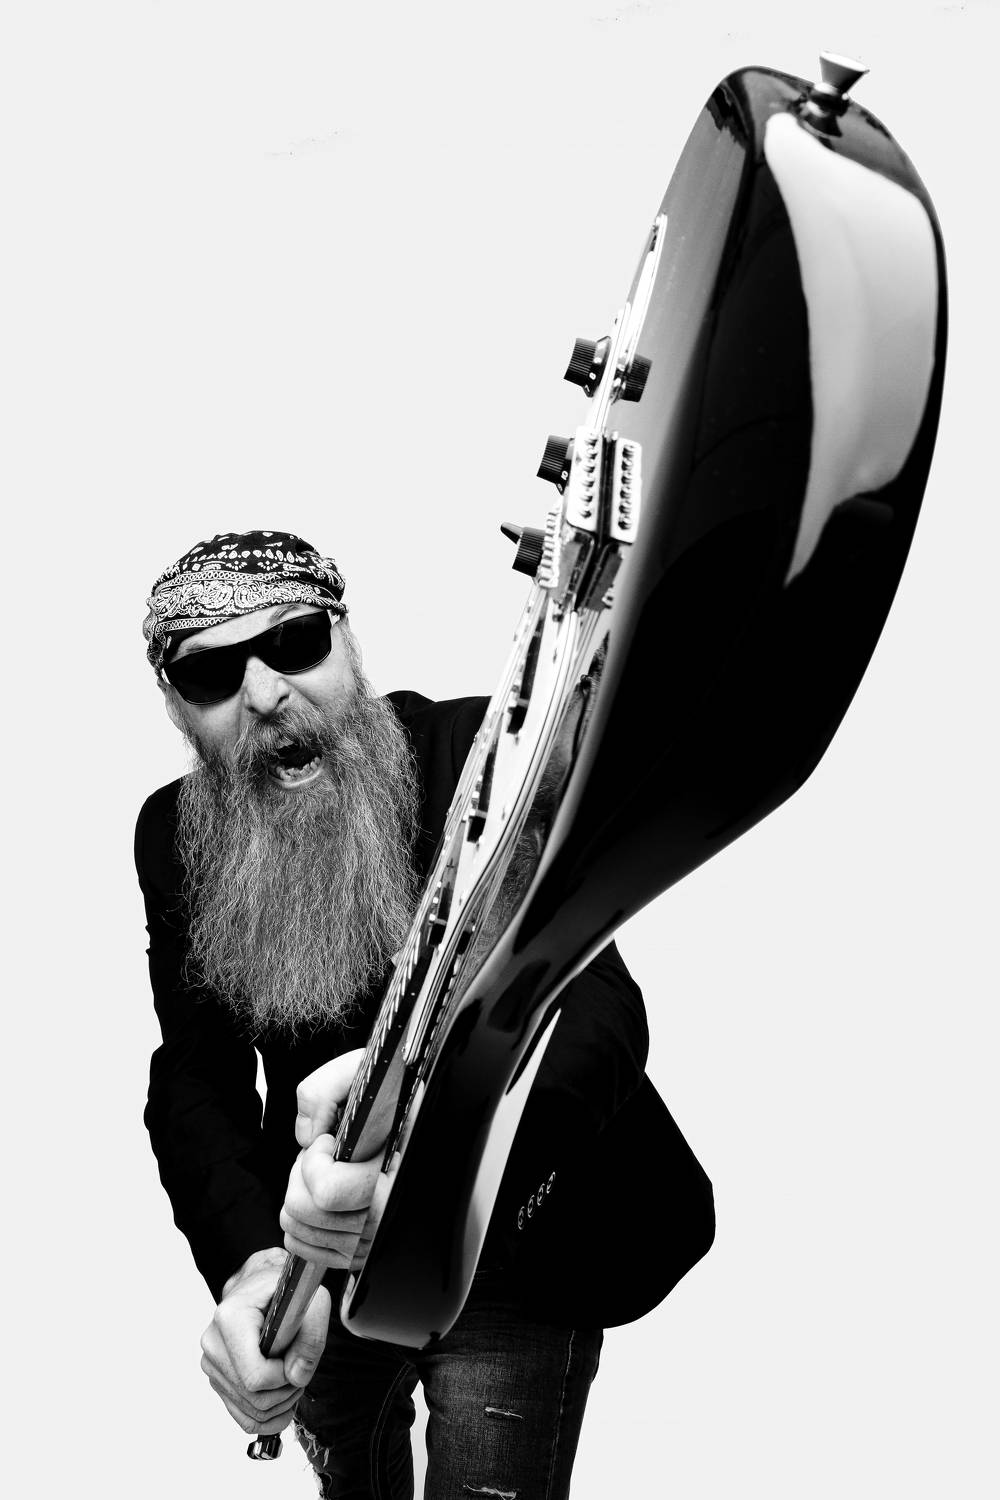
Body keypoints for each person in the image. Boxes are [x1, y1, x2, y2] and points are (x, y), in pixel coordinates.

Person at [136, 528, 716, 1498]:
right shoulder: (174, 831)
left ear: (346, 640)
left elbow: (597, 1015)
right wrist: (252, 1268)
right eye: (211, 672)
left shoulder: (484, 754)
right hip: (325, 1260)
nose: (265, 693)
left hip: (519, 1239)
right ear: (175, 706)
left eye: (294, 643)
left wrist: (420, 1119)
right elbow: (196, 1078)